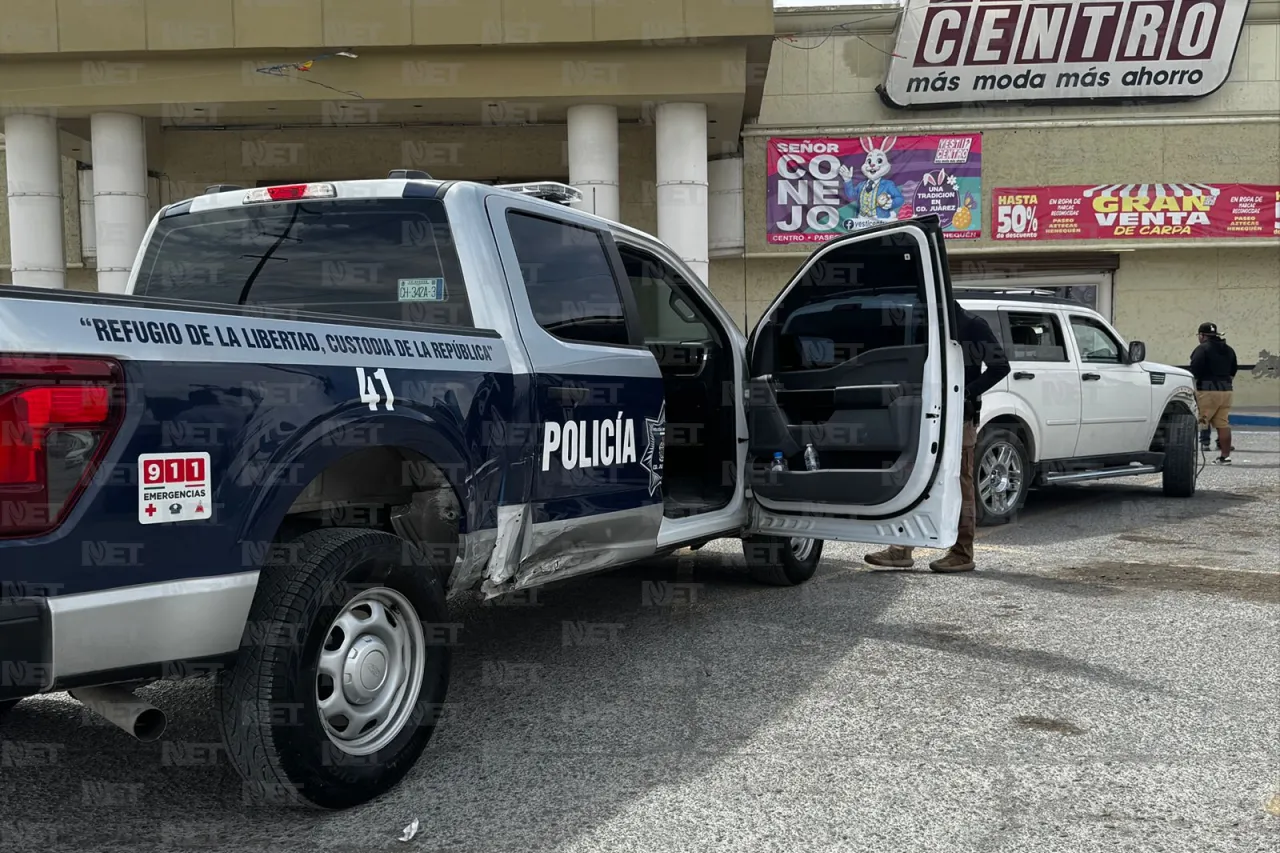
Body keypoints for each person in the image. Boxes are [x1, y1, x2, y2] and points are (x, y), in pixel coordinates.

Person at [864, 304, 1010, 573]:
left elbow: (1000, 366)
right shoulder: (922, 325)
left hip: (959, 417)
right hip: (924, 414)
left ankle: (962, 552)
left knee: (960, 482)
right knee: (913, 478)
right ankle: (901, 549)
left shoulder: (971, 325)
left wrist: (964, 393)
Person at [1190, 321, 1237, 464]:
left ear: (1203, 335)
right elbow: (1233, 371)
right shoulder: (1229, 350)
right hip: (1226, 391)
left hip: (1207, 391)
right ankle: (1225, 457)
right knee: (1223, 424)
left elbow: (1195, 370)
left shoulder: (1202, 349)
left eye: (1199, 335)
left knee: (1198, 422)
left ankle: (1188, 457)